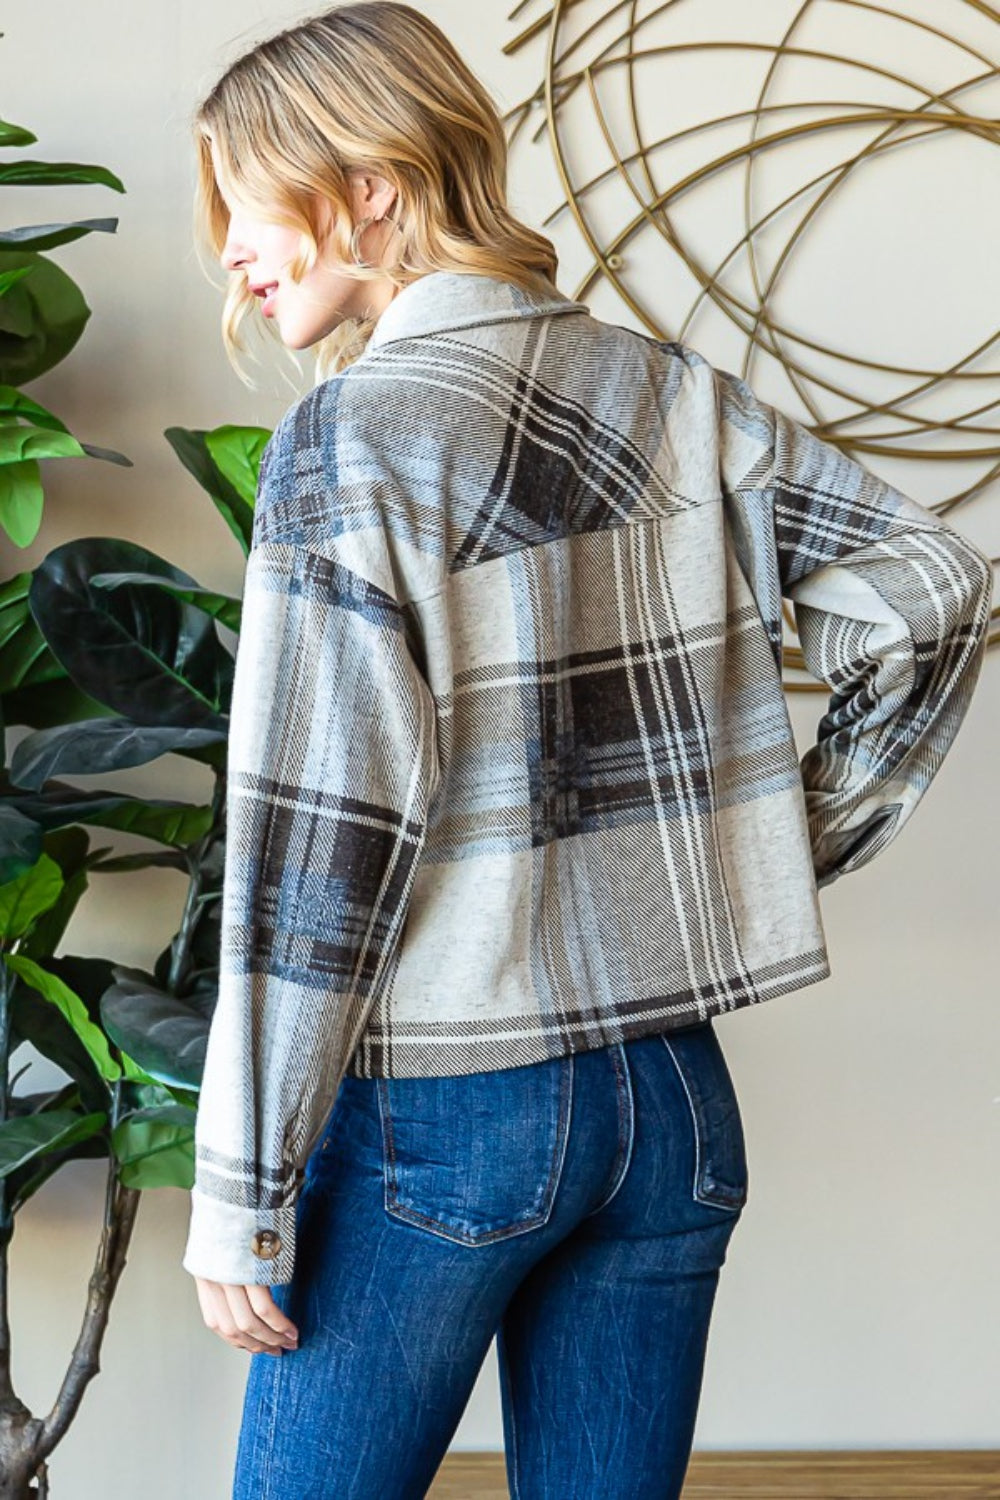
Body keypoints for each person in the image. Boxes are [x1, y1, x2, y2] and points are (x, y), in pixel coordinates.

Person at [179, 4, 995, 1497]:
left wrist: (238, 1191)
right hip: (669, 1099)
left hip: (447, 1107)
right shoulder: (670, 389)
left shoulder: (352, 439)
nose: (226, 247)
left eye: (245, 197)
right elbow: (932, 590)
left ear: (371, 184)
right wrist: (764, 842)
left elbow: (319, 849)